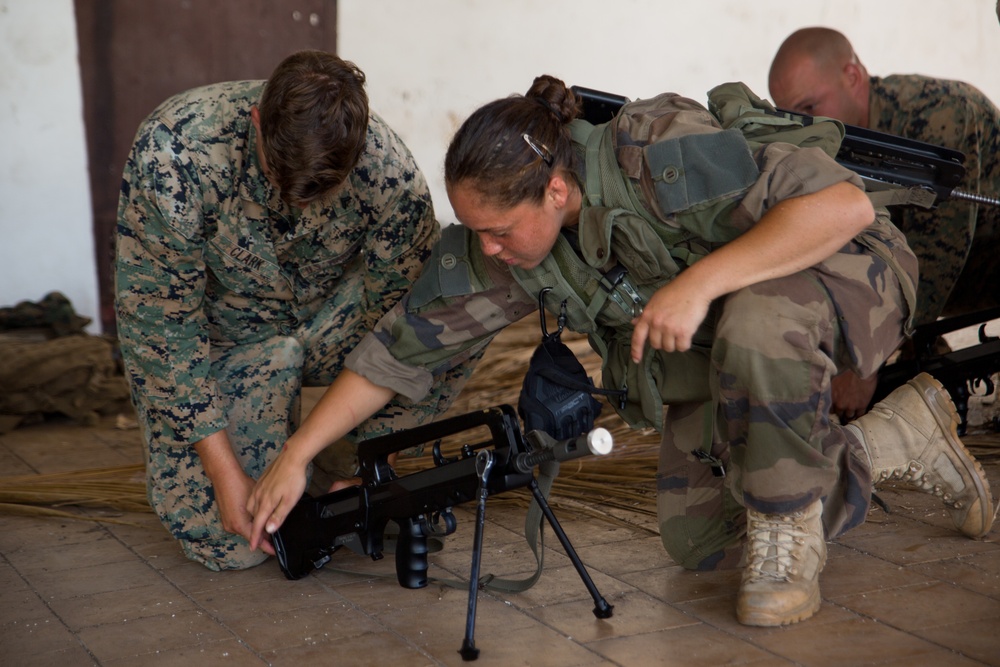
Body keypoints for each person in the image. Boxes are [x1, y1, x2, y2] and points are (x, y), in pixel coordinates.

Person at [247, 75, 994, 627]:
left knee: (759, 325)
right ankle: (894, 437)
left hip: (847, 266)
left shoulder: (659, 152)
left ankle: (787, 548)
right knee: (696, 537)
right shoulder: (512, 247)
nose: (490, 248)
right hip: (729, 325)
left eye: (500, 229)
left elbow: (844, 206)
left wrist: (696, 284)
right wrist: (297, 454)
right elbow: (396, 350)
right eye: (476, 231)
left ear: (557, 192)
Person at [115, 50, 477, 572]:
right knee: (235, 546)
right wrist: (223, 472)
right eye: (275, 172)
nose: (300, 205)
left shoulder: (386, 170)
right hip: (227, 345)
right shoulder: (176, 151)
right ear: (258, 121)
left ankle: (341, 464)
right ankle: (277, 464)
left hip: (328, 323)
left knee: (457, 313)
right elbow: (159, 329)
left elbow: (407, 329)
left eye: (321, 192)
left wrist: (375, 458)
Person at [768, 28, 1000, 418]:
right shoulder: (834, 139)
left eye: (809, 108)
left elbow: (937, 258)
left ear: (853, 77)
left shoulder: (938, 114)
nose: (802, 128)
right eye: (791, 116)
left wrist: (866, 362)